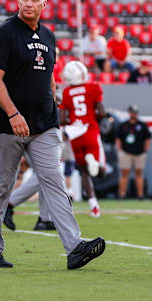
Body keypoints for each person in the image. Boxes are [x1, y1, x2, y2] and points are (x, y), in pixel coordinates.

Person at [0, 0, 104, 270]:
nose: (29, 3)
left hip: (44, 124)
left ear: (44, 5)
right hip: (9, 125)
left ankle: (74, 247)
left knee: (54, 180)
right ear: (17, 1)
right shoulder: (4, 34)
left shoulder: (48, 35)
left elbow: (48, 72)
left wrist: (54, 95)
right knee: (1, 186)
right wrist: (13, 114)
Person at [61, 61, 106, 217]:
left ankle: (94, 206)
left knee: (83, 172)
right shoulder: (93, 88)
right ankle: (94, 162)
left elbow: (61, 119)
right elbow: (102, 112)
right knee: (101, 172)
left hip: (75, 134)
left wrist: (74, 121)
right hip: (90, 130)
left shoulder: (66, 92)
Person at [116, 105, 151, 199]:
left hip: (139, 154)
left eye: (135, 112)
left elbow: (148, 138)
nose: (134, 114)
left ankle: (140, 195)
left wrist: (145, 151)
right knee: (124, 174)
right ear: (129, 112)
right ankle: (122, 194)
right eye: (132, 112)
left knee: (139, 174)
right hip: (126, 153)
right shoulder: (123, 125)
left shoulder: (142, 125)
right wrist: (120, 150)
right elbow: (118, 139)